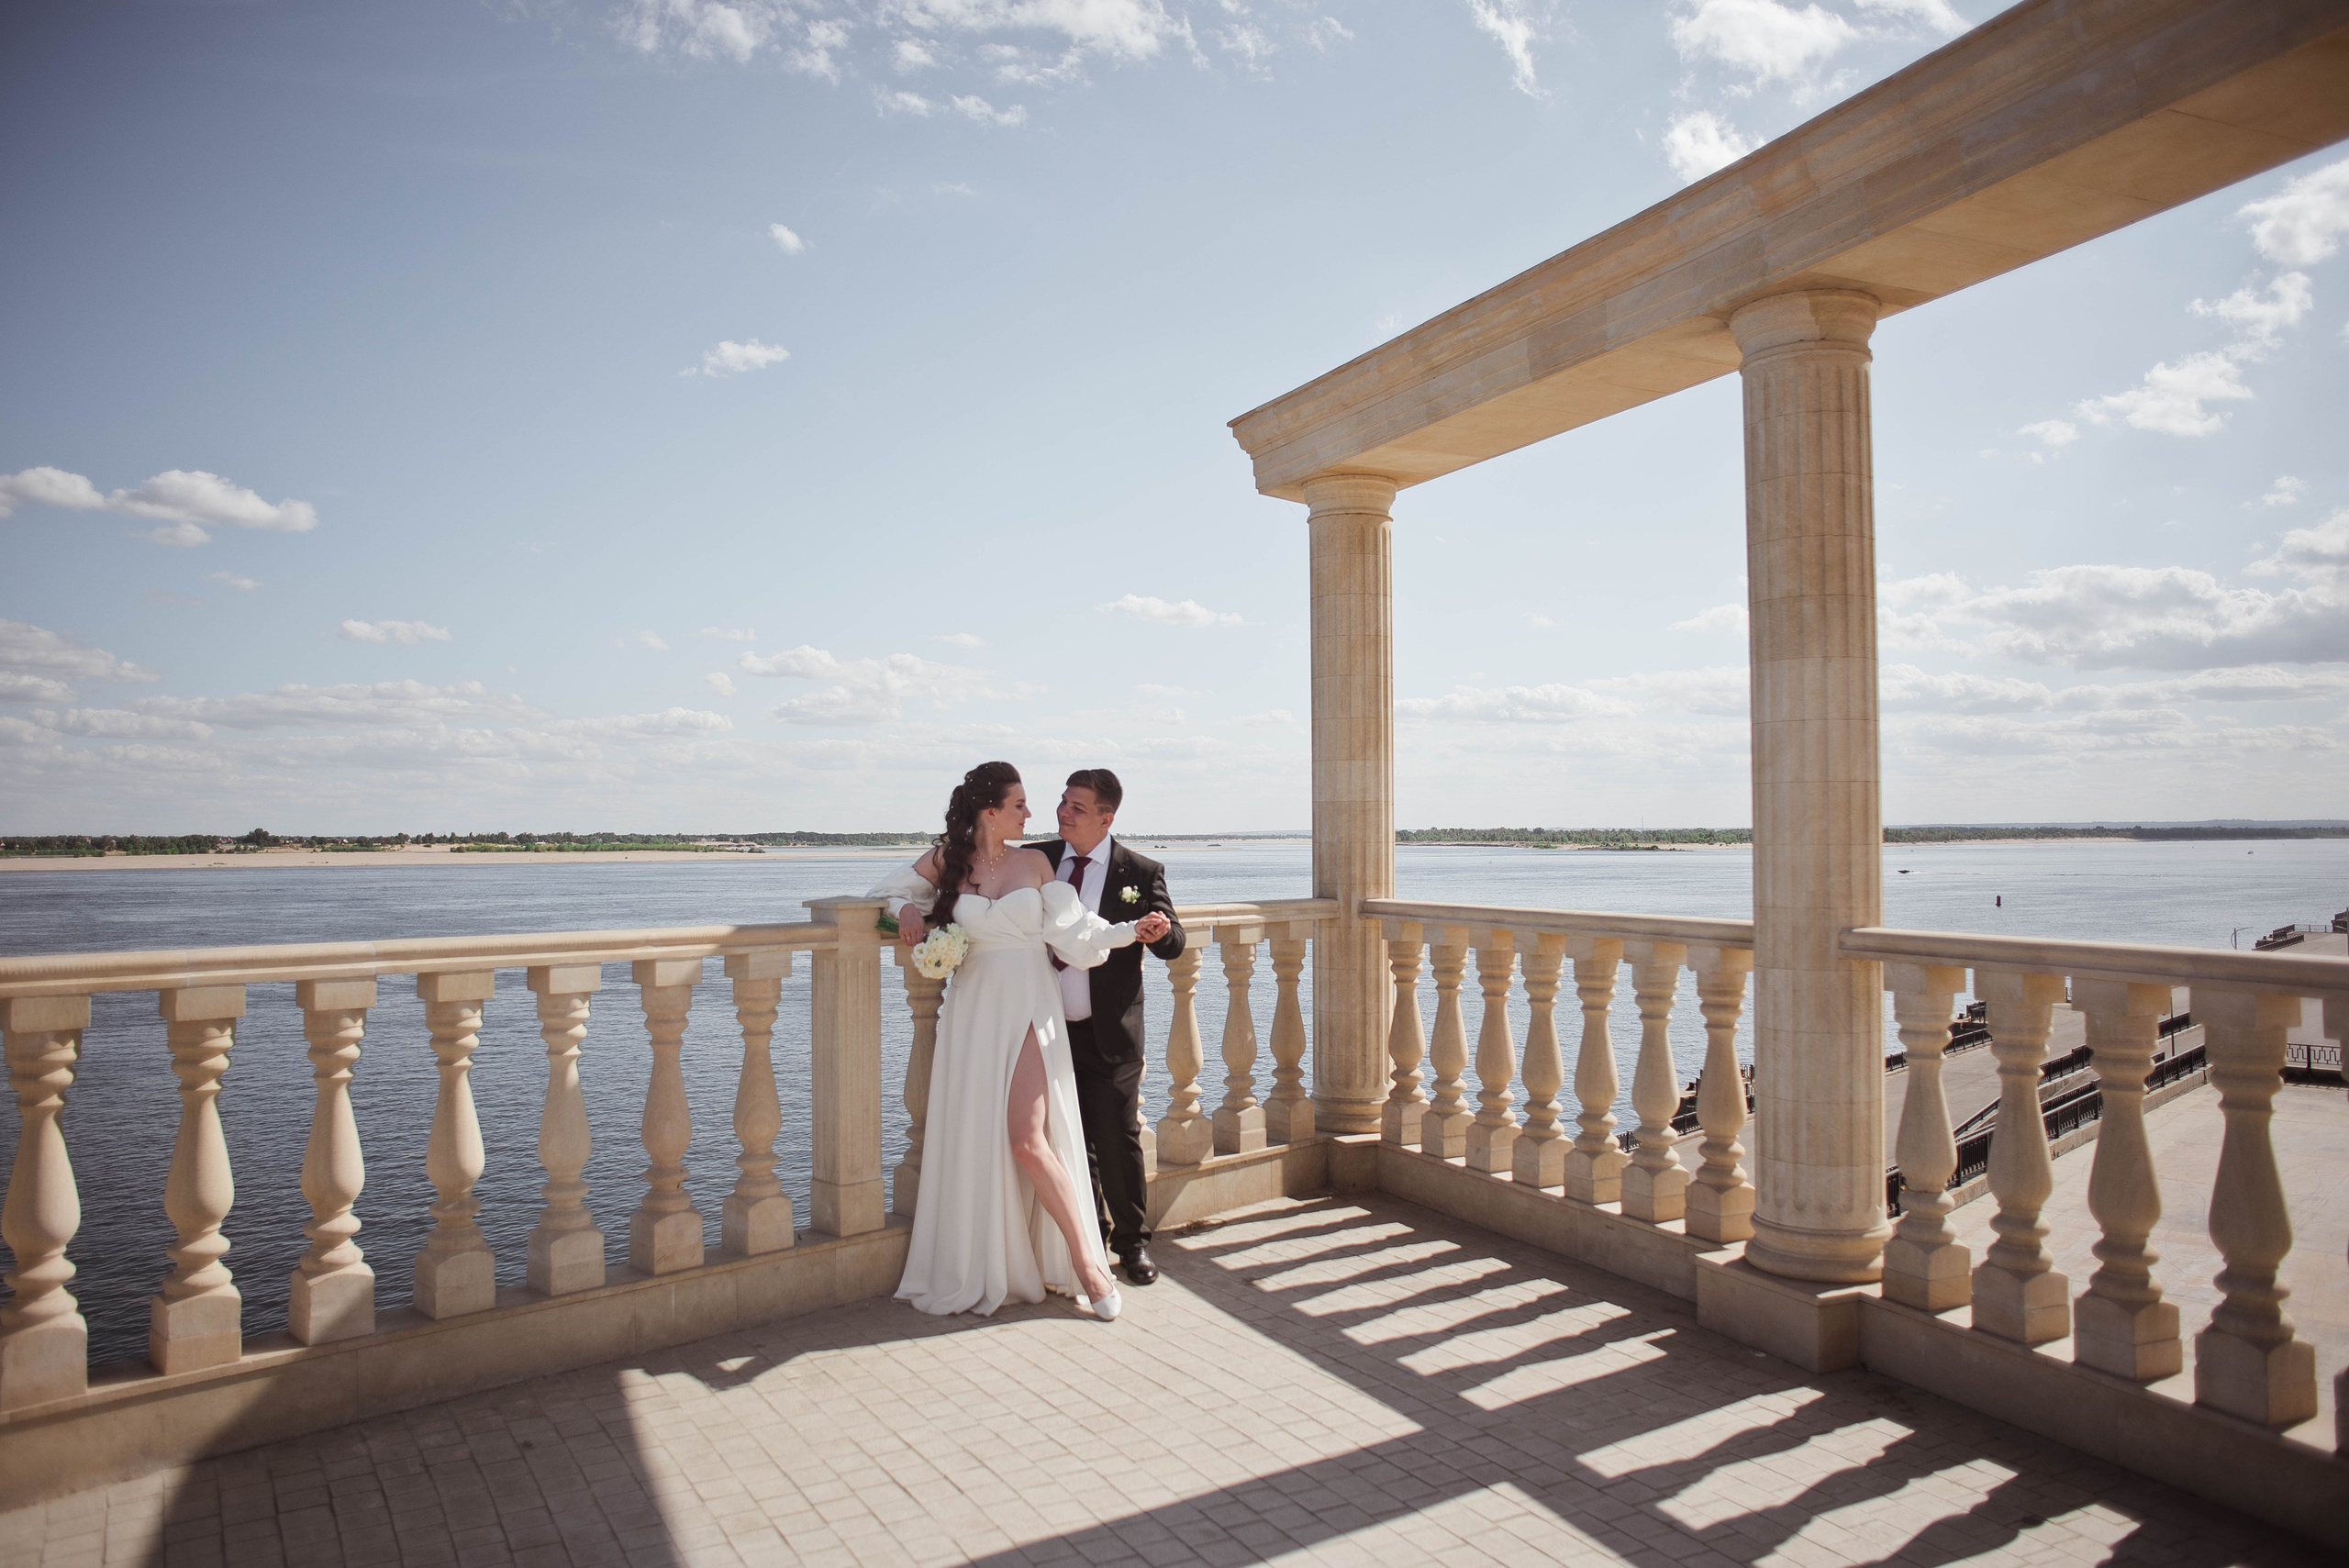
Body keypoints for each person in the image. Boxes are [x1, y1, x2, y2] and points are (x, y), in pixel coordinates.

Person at [868, 762, 1173, 1320]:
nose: (1032, 814)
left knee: (1028, 1139)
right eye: (1019, 805)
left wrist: (1132, 930)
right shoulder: (948, 861)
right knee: (979, 1136)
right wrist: (908, 907)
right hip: (974, 1012)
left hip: (1032, 1005)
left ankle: (1089, 1266)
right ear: (990, 812)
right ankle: (988, 1262)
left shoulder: (1035, 864)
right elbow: (887, 890)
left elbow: (1077, 930)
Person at [1028, 769, 1185, 1287]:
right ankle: (1089, 1238)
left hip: (1111, 1031)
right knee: (1068, 1140)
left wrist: (1160, 933)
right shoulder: (1037, 859)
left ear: (1106, 817)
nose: (1063, 812)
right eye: (1063, 802)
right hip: (1044, 1030)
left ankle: (1132, 1244)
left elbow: (1173, 941)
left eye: (1076, 806)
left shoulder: (1138, 870)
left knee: (1117, 1138)